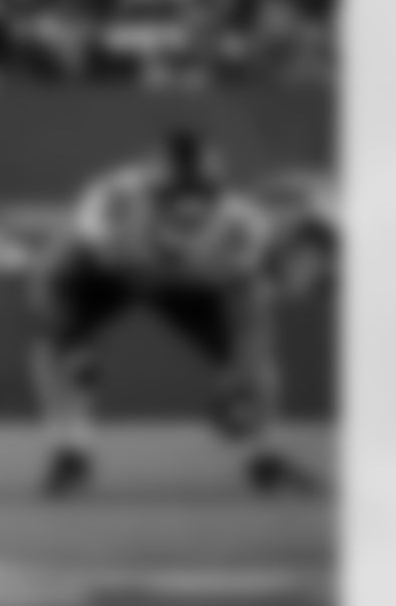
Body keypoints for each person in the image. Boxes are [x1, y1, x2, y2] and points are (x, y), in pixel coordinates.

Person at [29, 126, 320, 498]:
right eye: (175, 196)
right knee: (53, 348)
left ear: (220, 193)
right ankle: (70, 451)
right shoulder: (112, 202)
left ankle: (265, 458)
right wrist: (70, 339)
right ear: (150, 192)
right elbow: (54, 275)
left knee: (259, 367)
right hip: (114, 276)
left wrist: (242, 375)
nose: (188, 209)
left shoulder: (244, 226)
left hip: (193, 286)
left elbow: (251, 314)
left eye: (201, 196)